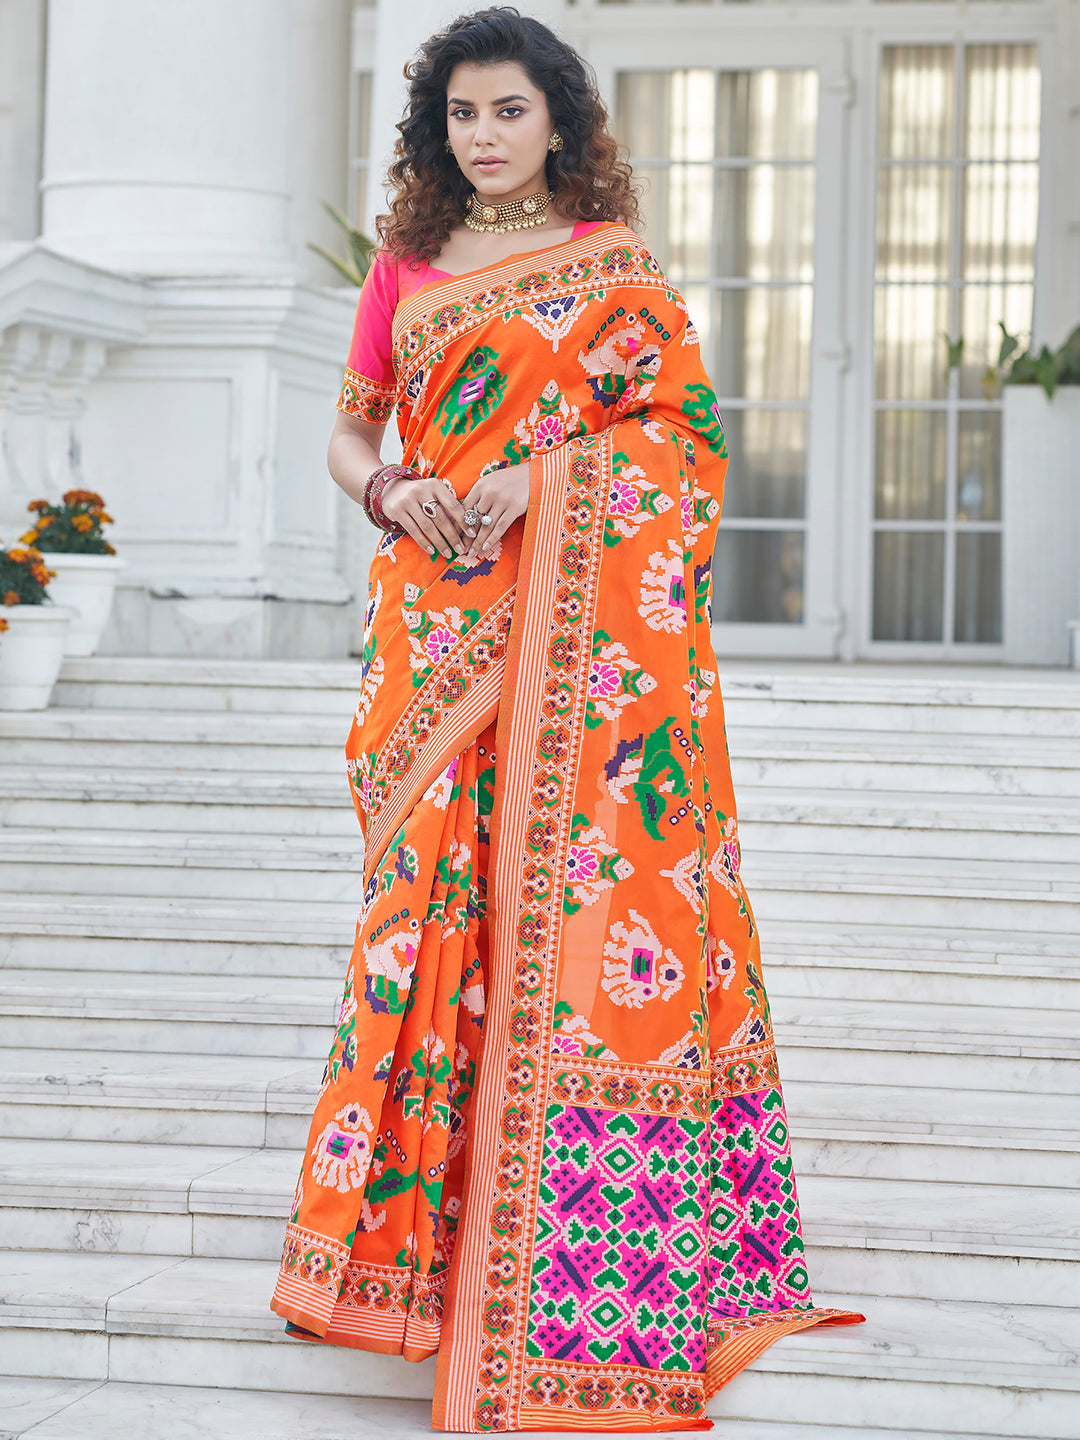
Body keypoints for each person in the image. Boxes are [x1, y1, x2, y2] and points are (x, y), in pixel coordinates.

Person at [270, 7, 863, 1431]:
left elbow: (687, 433)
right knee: (426, 916)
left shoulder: (615, 273)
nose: (483, 136)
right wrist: (384, 487)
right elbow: (354, 421)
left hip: (581, 643)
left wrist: (550, 482)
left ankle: (568, 1282)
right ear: (437, 129)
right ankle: (400, 1267)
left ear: (559, 124)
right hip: (433, 623)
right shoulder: (406, 268)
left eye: (509, 113)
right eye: (461, 114)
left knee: (575, 918)